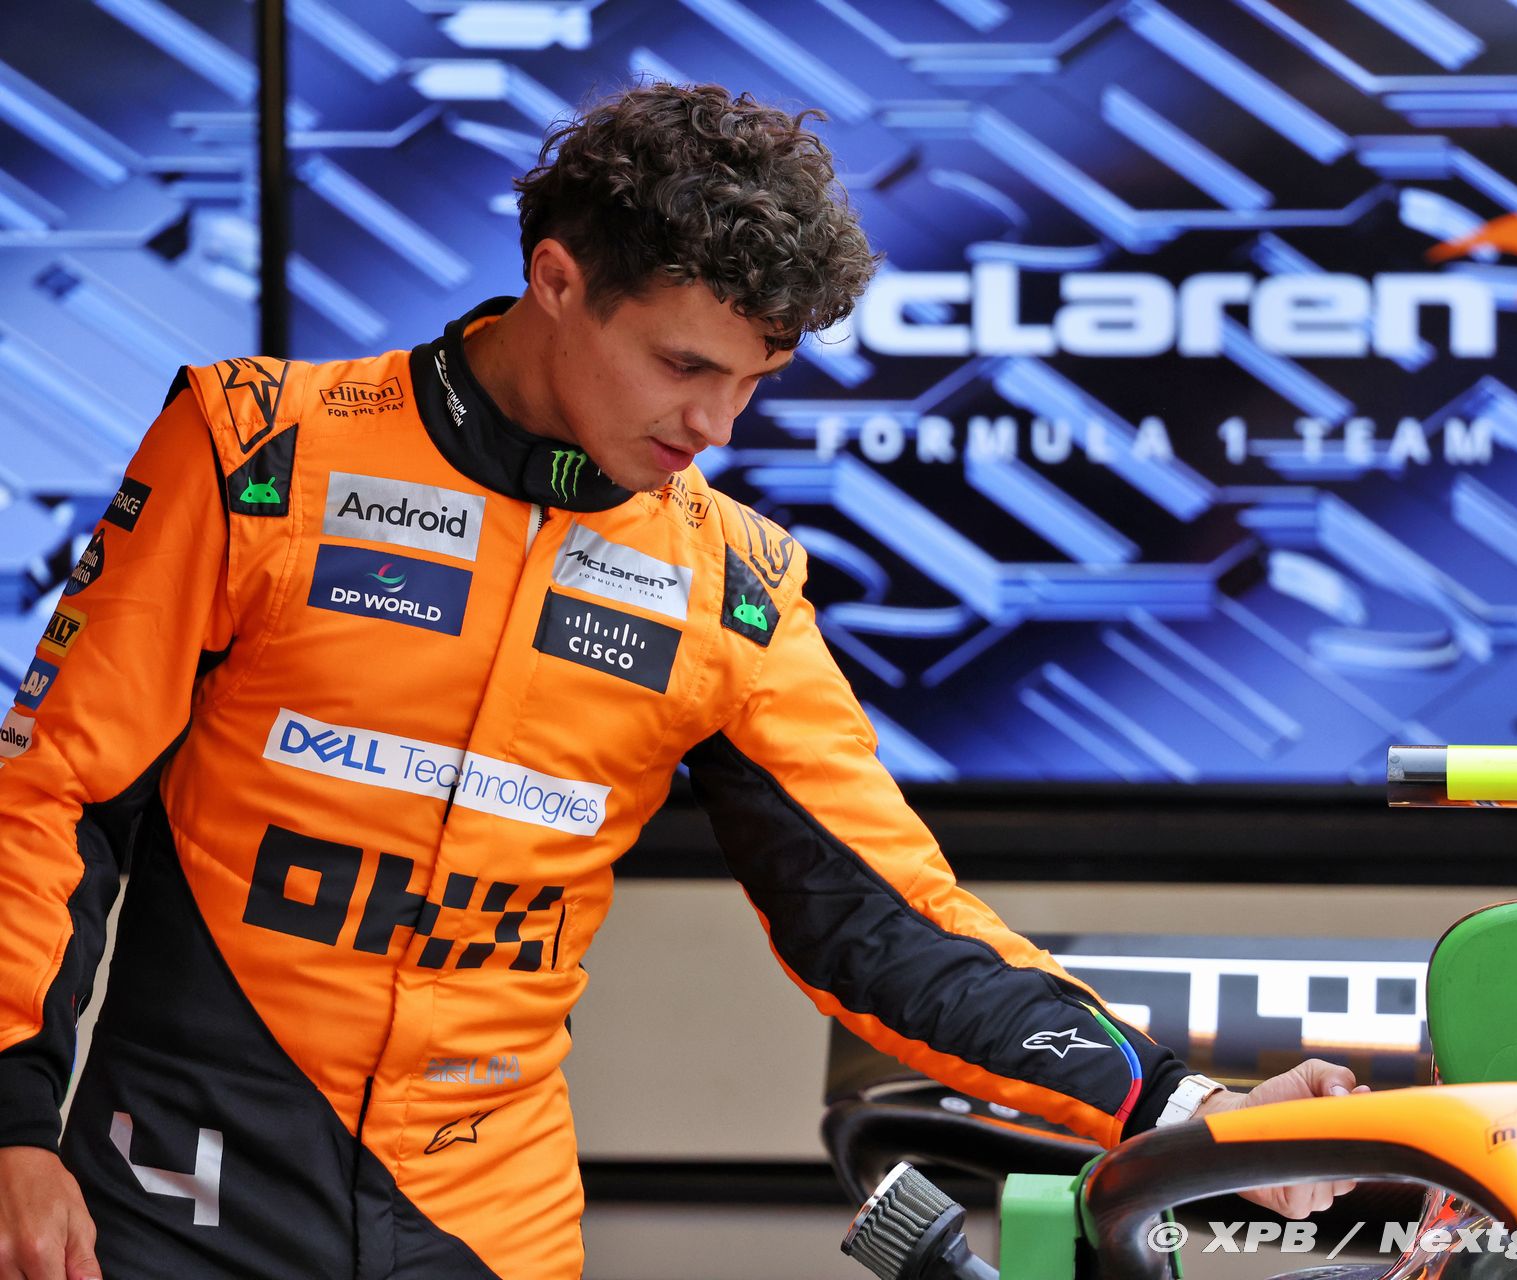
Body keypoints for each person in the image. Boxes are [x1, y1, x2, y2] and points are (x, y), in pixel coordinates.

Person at [0, 82, 1358, 1280]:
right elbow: (53, 795)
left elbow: (884, 917)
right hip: (171, 1198)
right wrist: (10, 1124)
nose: (712, 423)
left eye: (752, 382)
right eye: (683, 364)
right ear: (556, 279)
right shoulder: (257, 449)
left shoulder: (732, 583)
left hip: (486, 1225)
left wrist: (1183, 1108)